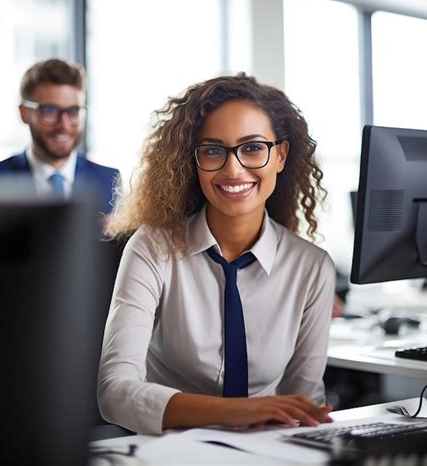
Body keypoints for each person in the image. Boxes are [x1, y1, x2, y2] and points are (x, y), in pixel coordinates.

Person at [98, 73, 335, 435]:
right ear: (193, 161)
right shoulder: (153, 248)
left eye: (253, 147)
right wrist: (234, 412)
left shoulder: (311, 266)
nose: (233, 168)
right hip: (170, 452)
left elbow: (303, 401)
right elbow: (114, 392)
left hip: (268, 453)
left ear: (281, 156)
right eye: (212, 151)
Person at [0, 58, 120, 217]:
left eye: (73, 112)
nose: (64, 125)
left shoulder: (109, 181)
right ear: (24, 113)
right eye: (50, 111)